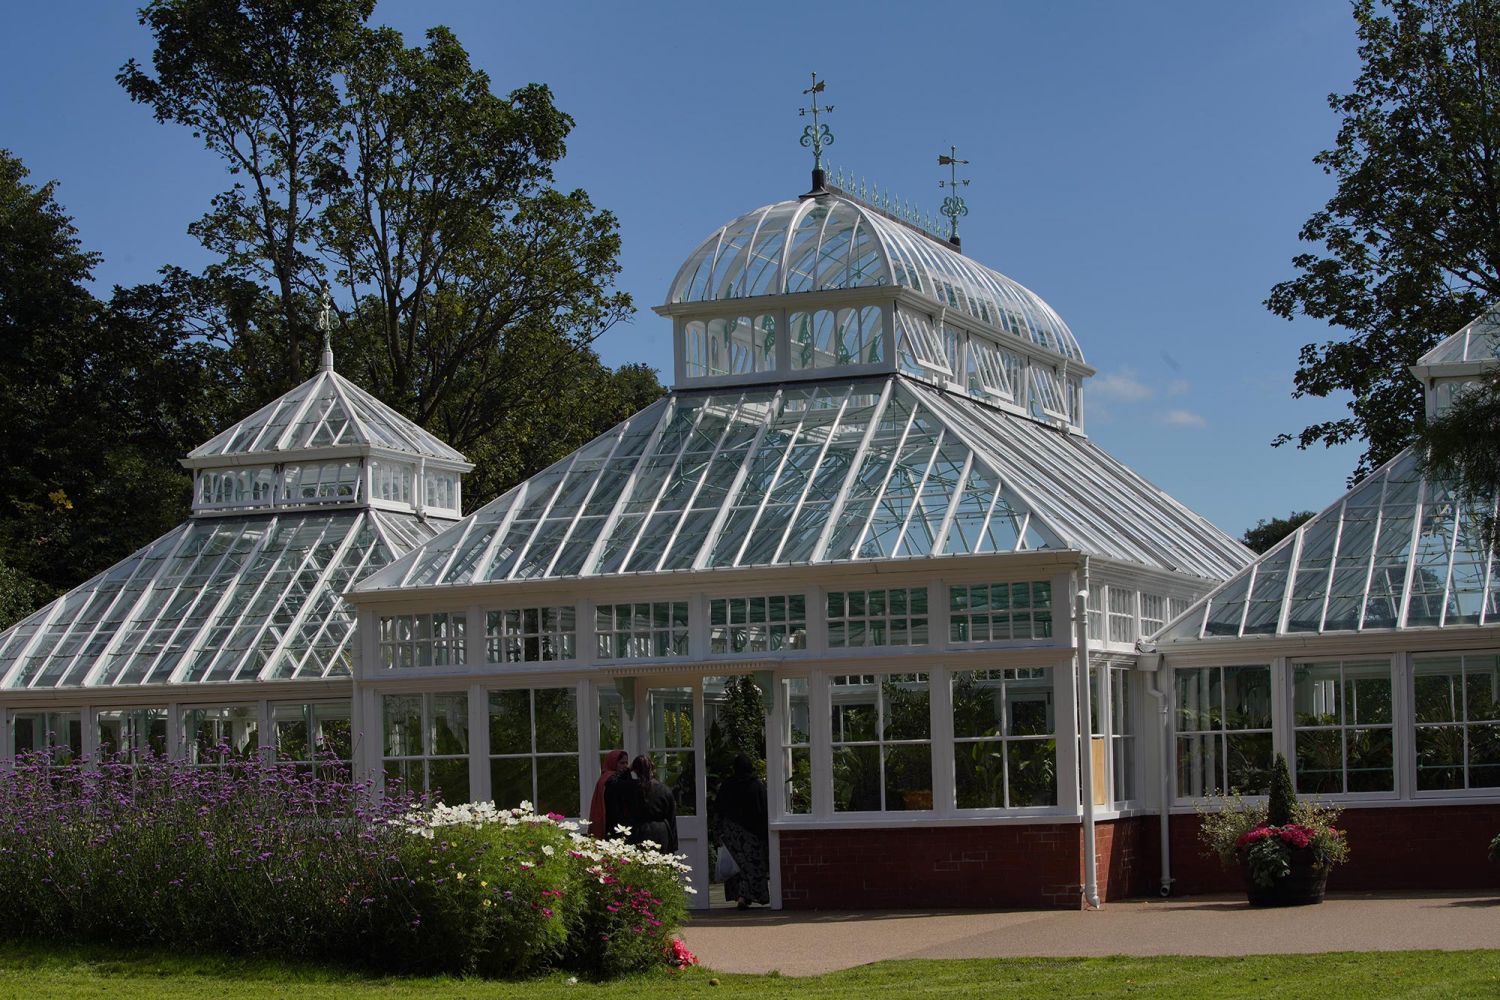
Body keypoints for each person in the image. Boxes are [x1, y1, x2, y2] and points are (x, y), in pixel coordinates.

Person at [714, 753, 769, 907]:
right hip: (753, 834)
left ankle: (739, 896)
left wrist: (718, 833)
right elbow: (764, 809)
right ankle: (748, 895)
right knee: (751, 866)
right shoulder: (756, 785)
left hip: (732, 833)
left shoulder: (728, 785)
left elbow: (719, 809)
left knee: (736, 867)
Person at [624, 755, 678, 854]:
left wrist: (628, 770)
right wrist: (673, 845)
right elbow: (671, 818)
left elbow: (617, 782)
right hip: (660, 833)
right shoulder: (664, 790)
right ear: (652, 768)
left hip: (638, 832)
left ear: (635, 770)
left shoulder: (630, 789)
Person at [588, 749, 630, 838]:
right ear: (613, 763)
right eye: (622, 763)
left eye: (626, 763)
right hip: (610, 821)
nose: (625, 766)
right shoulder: (609, 779)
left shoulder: (621, 777)